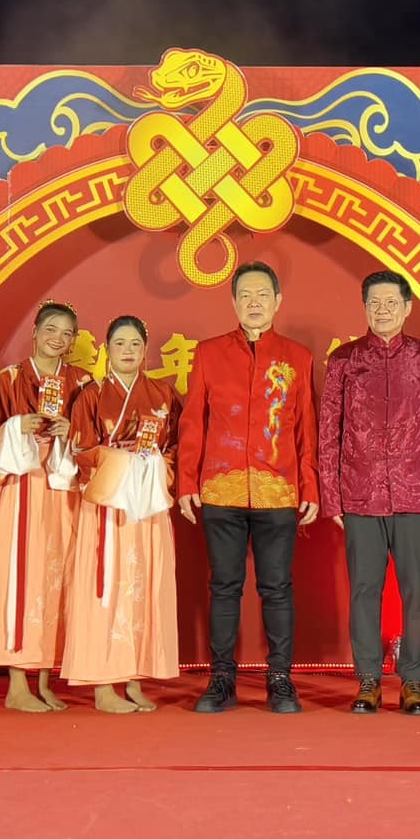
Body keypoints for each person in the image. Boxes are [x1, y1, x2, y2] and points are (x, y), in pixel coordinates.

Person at [177, 261, 319, 714]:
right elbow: (192, 421)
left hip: (278, 488)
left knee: (277, 587)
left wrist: (309, 487)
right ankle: (222, 679)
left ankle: (280, 680)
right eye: (245, 295)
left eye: (262, 295)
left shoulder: (298, 357)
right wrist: (186, 480)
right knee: (224, 586)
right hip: (222, 488)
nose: (254, 303)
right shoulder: (208, 353)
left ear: (278, 301)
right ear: (233, 302)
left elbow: (306, 429)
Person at [317, 271, 420, 716]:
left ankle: (413, 682)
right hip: (359, 493)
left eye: (391, 302)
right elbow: (329, 432)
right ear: (364, 307)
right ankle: (368, 680)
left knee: (418, 590)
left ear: (407, 307)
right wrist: (331, 495)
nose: (382, 310)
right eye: (374, 303)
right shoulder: (344, 360)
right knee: (364, 589)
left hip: (416, 492)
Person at [62, 316, 181, 712]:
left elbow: (176, 447)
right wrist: (123, 460)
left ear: (145, 350)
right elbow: (80, 449)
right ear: (106, 349)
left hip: (146, 505)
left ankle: (133, 677)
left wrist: (153, 463)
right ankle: (102, 684)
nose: (128, 351)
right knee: (107, 588)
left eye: (135, 344)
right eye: (119, 344)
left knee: (142, 588)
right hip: (108, 503)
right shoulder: (91, 395)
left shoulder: (163, 394)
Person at [0, 301, 93, 712]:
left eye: (66, 333)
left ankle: (44, 678)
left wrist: (70, 430)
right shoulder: (10, 378)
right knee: (21, 575)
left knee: (57, 575)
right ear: (35, 332)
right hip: (24, 483)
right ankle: (16, 682)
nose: (57, 339)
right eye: (51, 330)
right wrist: (16, 426)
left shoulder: (81, 381)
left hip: (62, 485)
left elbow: (89, 433)